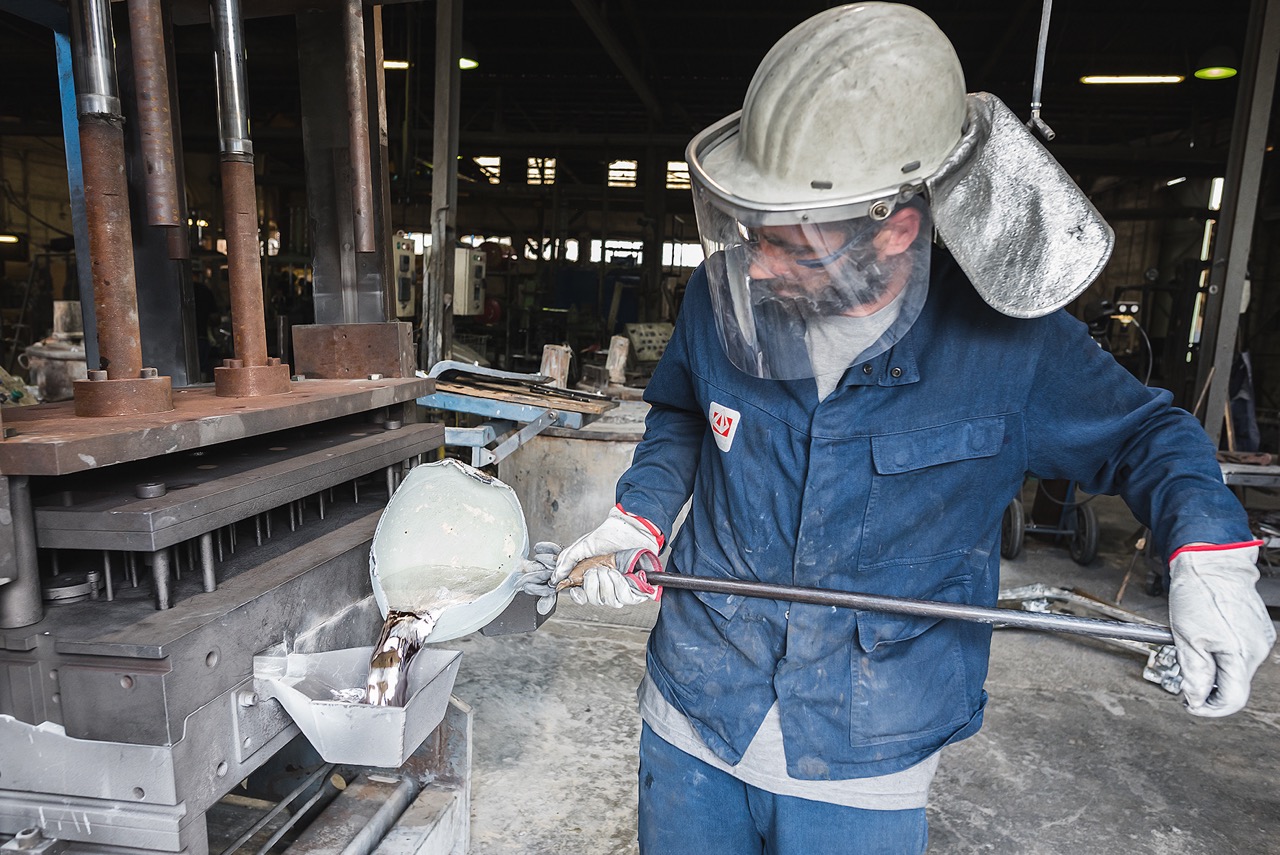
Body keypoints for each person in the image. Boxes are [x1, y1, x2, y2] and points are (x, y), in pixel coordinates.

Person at [545, 5, 1276, 853]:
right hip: (692, 714)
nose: (756, 264)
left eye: (789, 245)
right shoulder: (722, 302)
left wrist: (1212, 556)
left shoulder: (1012, 345)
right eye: (751, 235)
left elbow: (1151, 438)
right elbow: (679, 412)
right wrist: (636, 514)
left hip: (866, 757)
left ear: (896, 229)